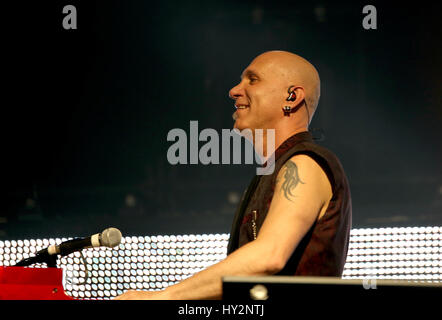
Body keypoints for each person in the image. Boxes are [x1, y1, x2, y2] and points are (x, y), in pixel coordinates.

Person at [115, 50, 352, 300]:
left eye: (253, 79)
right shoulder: (273, 170)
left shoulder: (304, 163)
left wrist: (160, 297)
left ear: (291, 97)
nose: (234, 90)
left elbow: (269, 255)